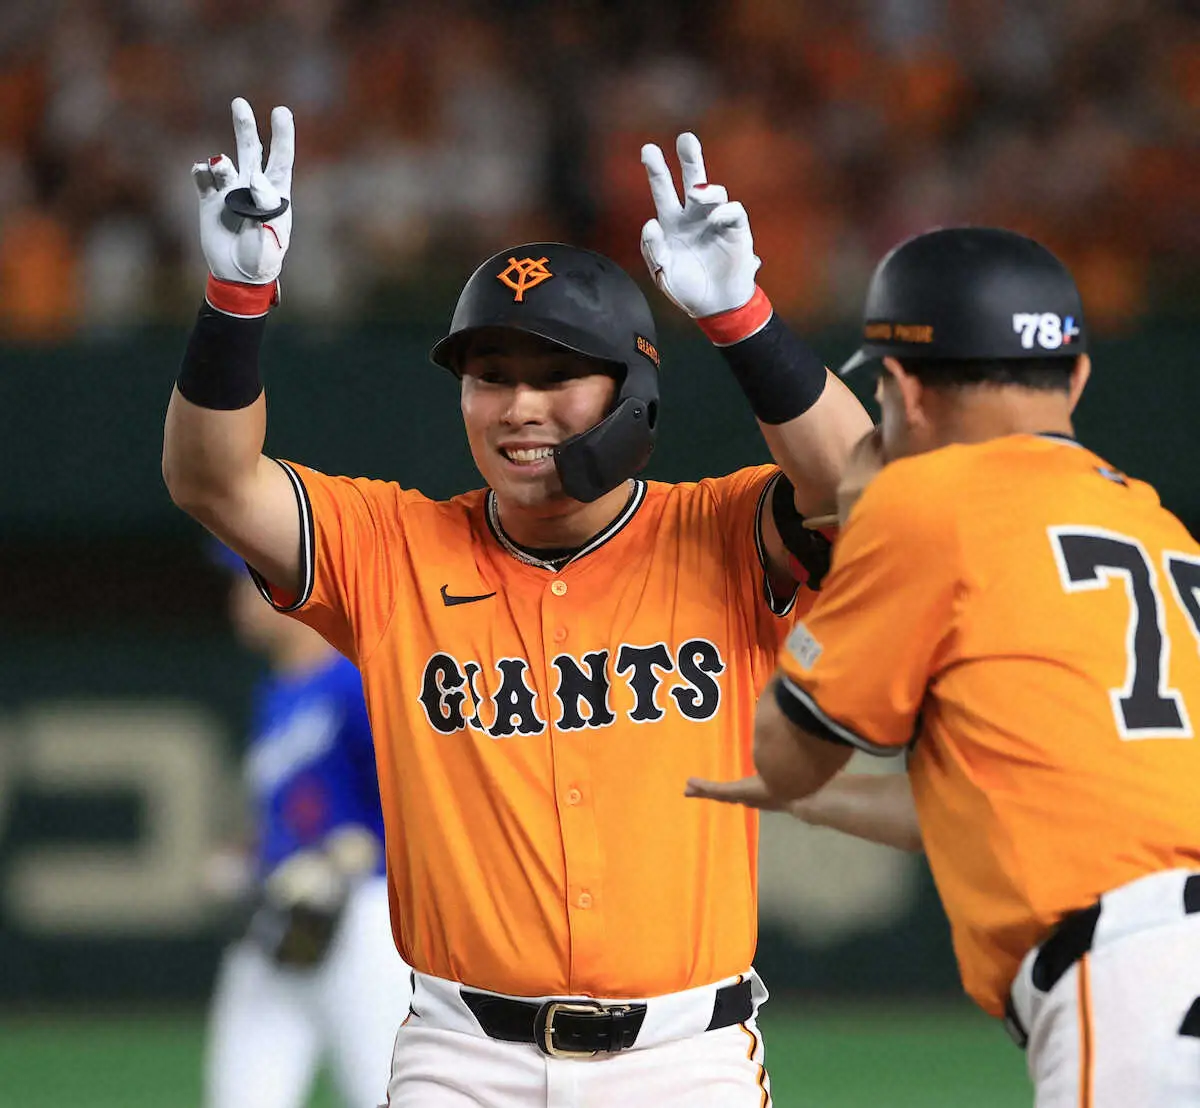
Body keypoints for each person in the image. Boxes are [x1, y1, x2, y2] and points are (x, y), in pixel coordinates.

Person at [162, 98, 872, 1106]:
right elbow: (213, 482)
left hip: (686, 1058)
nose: (519, 407)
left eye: (557, 375)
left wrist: (741, 316)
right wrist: (237, 297)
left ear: (630, 391)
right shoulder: (393, 547)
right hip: (464, 1058)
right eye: (490, 376)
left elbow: (857, 488)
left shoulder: (719, 532)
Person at [698, 226, 1200, 1106]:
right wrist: (814, 804)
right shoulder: (1157, 528)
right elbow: (1005, 797)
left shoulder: (929, 504)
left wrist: (855, 544)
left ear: (902, 390)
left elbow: (787, 752)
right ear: (1078, 377)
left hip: (1135, 978)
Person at [202, 542, 412, 1108]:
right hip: (279, 917)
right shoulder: (277, 691)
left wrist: (355, 851)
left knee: (384, 1092)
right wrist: (247, 855)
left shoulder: (357, 680)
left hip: (365, 916)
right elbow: (295, 813)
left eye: (248, 582)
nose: (237, 599)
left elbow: (417, 800)